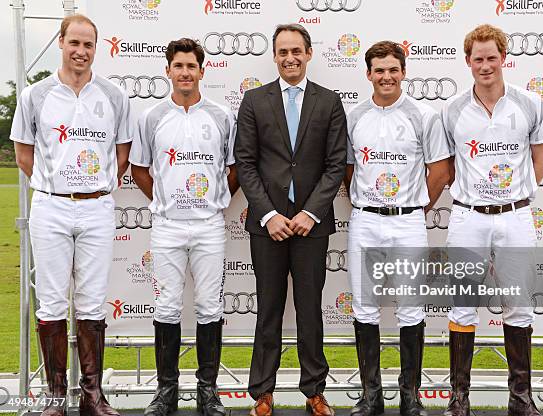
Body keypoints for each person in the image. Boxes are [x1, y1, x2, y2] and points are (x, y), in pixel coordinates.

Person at [11, 14, 132, 416]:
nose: (81, 51)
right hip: (51, 205)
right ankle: (54, 397)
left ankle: (92, 396)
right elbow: (23, 154)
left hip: (97, 205)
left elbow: (122, 152)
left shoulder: (114, 96)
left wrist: (95, 186)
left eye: (89, 44)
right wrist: (56, 183)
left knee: (92, 304)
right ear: (61, 42)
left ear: (96, 48)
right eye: (74, 43)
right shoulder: (35, 95)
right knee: (49, 303)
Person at [234, 23, 347, 416]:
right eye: (282, 51)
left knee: (310, 309)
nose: (290, 58)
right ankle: (262, 393)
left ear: (309, 53)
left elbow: (336, 166)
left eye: (296, 50)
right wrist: (268, 215)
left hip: (311, 227)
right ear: (274, 56)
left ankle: (314, 390)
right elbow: (245, 164)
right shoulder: (254, 100)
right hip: (268, 228)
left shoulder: (329, 102)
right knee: (268, 309)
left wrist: (309, 213)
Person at [441, 24, 543, 416]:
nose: (485, 65)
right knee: (461, 305)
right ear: (467, 61)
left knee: (518, 306)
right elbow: (448, 166)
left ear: (503, 58)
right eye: (477, 59)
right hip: (468, 218)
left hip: (516, 216)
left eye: (491, 57)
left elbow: (541, 164)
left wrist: (510, 194)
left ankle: (521, 398)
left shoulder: (530, 103)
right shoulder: (452, 109)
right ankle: (459, 398)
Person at [129, 38, 239, 416]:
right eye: (178, 66)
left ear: (202, 71)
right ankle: (166, 392)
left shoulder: (222, 115)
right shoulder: (151, 117)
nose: (185, 72)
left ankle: (208, 391)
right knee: (167, 305)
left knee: (209, 306)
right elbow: (140, 169)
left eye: (192, 66)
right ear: (168, 71)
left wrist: (217, 200)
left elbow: (235, 167)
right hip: (168, 226)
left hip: (209, 225)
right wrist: (162, 201)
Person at [343, 41, 451, 416]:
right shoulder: (354, 115)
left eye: (393, 69)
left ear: (403, 72)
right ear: (368, 74)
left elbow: (440, 170)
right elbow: (348, 170)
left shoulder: (424, 115)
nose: (386, 77)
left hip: (408, 222)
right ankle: (371, 396)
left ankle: (410, 395)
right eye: (379, 70)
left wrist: (417, 210)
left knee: (411, 309)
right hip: (366, 220)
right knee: (365, 308)